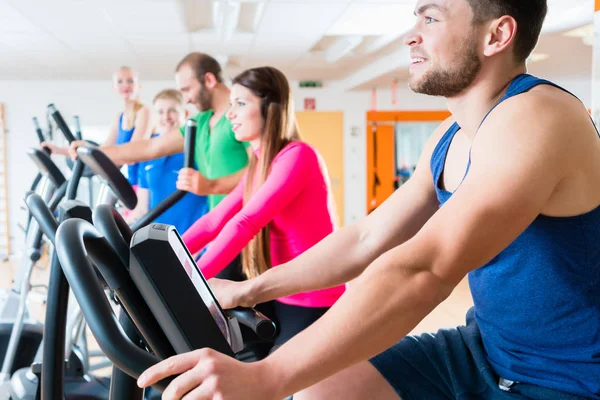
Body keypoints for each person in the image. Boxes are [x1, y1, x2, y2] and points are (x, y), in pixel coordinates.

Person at [137, 0, 600, 399]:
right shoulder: (451, 135)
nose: (411, 36)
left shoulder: (541, 116)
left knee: (292, 380)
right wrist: (247, 289)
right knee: (323, 388)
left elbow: (426, 269)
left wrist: (267, 378)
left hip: (564, 378)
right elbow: (366, 238)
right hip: (483, 348)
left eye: (431, 19)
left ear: (497, 35)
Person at [180, 66, 345, 349]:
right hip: (282, 293)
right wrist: (171, 258)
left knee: (284, 383)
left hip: (314, 298)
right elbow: (214, 221)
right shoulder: (258, 166)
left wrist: (190, 280)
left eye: (241, 104)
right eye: (231, 104)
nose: (230, 113)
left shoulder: (297, 156)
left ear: (270, 108)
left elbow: (246, 223)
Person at [69, 53, 252, 212]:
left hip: (250, 227)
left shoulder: (242, 115)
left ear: (209, 80)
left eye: (187, 90)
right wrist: (96, 152)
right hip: (220, 227)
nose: (186, 99)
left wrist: (212, 186)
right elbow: (152, 147)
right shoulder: (200, 122)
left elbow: (261, 169)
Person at [43, 66, 151, 186]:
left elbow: (132, 153)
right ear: (114, 87)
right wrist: (57, 150)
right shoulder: (120, 116)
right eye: (120, 81)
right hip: (132, 181)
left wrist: (93, 152)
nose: (125, 85)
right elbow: (105, 148)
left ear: (138, 85)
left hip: (144, 183)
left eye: (130, 81)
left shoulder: (143, 111)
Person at [128, 89, 209, 234]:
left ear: (185, 113)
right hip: (158, 241)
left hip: (195, 242)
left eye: (172, 111)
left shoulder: (199, 147)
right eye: (160, 112)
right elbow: (142, 209)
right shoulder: (148, 154)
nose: (166, 117)